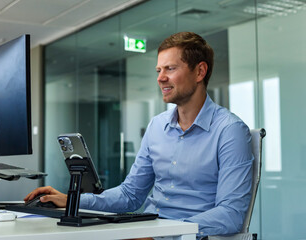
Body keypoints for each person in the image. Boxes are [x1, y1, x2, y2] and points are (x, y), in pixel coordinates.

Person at [24, 32, 253, 238]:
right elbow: (130, 195)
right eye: (158, 70)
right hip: (150, 231)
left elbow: (230, 215)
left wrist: (163, 234)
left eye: (170, 69)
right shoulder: (157, 126)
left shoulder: (230, 131)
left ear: (200, 71)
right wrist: (70, 201)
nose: (160, 78)